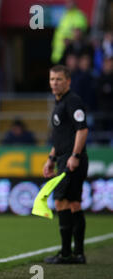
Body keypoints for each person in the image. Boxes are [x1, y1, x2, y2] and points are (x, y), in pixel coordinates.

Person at [42, 65, 89, 264]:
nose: (54, 83)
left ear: (68, 81)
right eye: (52, 79)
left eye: (59, 79)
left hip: (71, 160)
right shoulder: (59, 103)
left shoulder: (73, 101)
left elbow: (82, 129)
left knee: (61, 202)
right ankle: (77, 253)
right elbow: (61, 137)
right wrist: (51, 159)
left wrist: (75, 155)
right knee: (74, 204)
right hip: (63, 159)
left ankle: (65, 253)